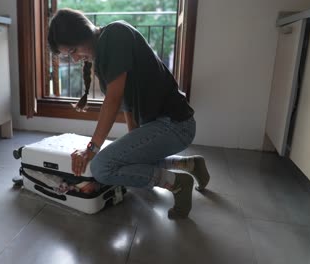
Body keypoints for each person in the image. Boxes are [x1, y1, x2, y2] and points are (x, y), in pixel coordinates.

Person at [48, 8, 210, 219]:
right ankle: (188, 164)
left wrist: (92, 148)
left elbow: (113, 100)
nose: (76, 59)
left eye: (72, 51)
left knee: (101, 167)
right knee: (123, 160)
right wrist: (134, 145)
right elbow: (127, 107)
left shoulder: (116, 34)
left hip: (176, 124)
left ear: (83, 33)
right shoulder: (102, 61)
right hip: (165, 126)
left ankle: (178, 184)